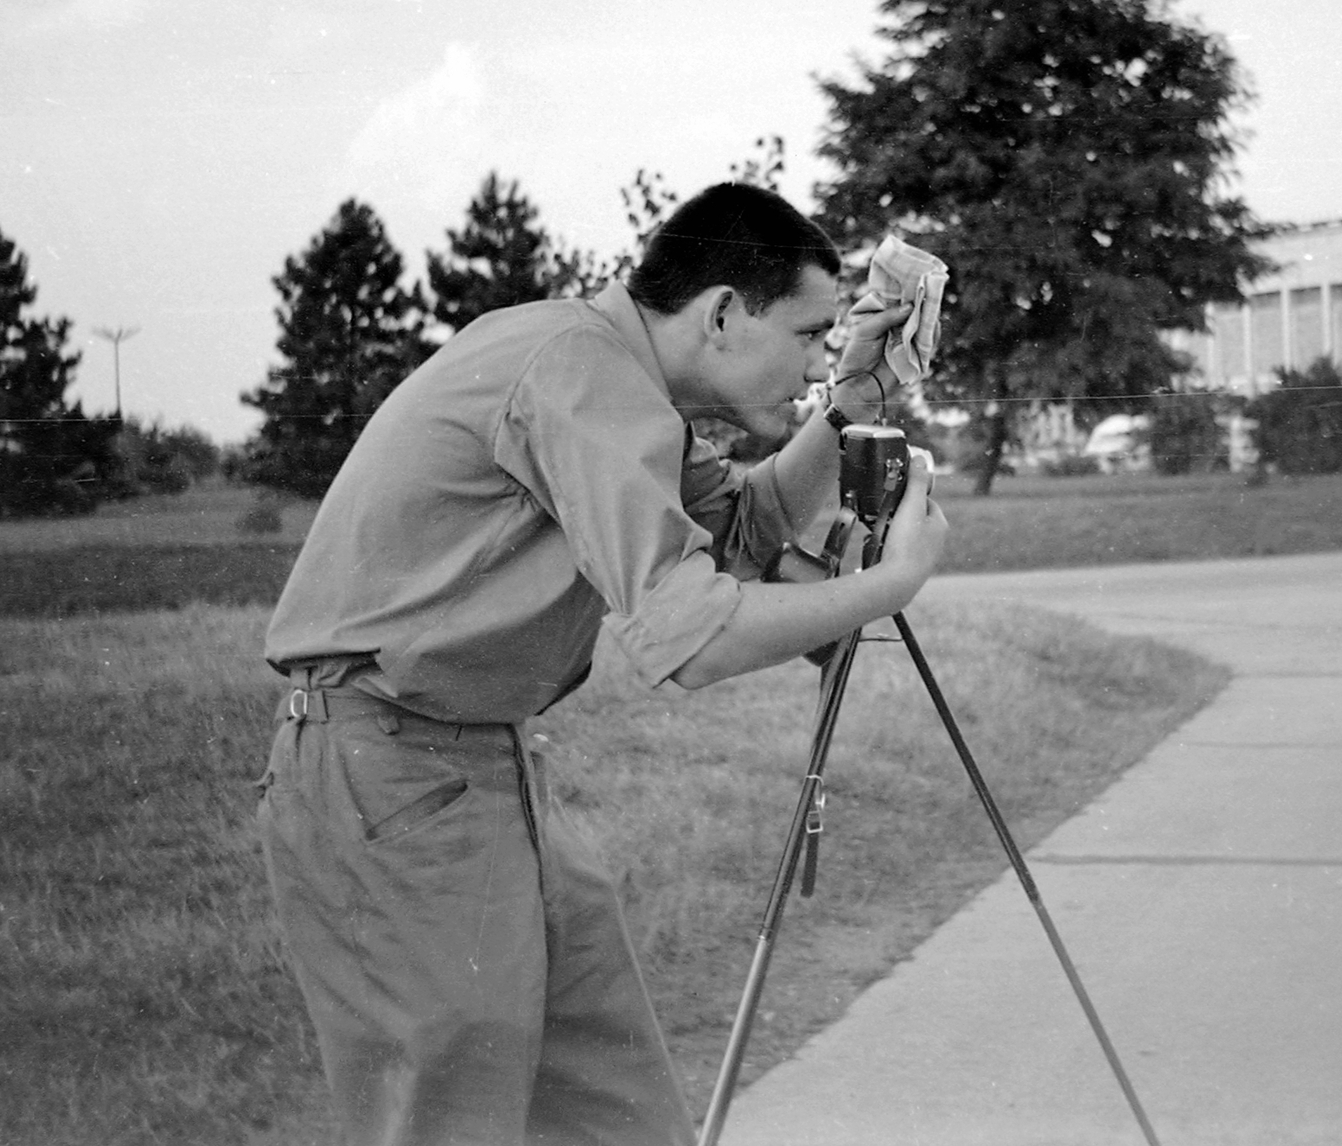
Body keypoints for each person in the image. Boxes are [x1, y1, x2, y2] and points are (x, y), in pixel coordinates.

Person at [256, 182, 948, 1146]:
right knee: (453, 1123)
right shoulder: (578, 372)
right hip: (387, 776)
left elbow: (740, 530)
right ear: (719, 312)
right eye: (808, 336)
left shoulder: (624, 387)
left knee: (616, 1114)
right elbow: (694, 639)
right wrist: (893, 583)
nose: (814, 365)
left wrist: (857, 404)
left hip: (487, 772)